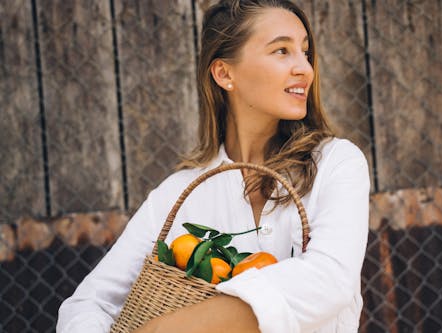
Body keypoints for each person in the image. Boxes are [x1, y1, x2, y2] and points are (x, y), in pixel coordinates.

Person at [56, 0, 370, 332]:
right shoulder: (180, 194)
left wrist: (169, 328)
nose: (305, 68)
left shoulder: (336, 163)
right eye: (281, 51)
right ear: (224, 73)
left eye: (305, 52)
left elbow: (329, 280)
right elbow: (91, 302)